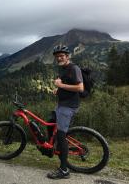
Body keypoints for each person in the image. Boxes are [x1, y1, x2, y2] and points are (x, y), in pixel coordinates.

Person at [47, 45, 84, 179]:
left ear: (67, 56)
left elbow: (80, 87)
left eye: (62, 56)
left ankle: (64, 170)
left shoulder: (74, 68)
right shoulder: (63, 69)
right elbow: (67, 85)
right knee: (50, 122)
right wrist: (59, 90)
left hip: (69, 107)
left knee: (61, 136)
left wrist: (61, 86)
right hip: (61, 104)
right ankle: (52, 148)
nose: (59, 58)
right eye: (57, 56)